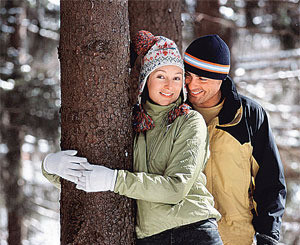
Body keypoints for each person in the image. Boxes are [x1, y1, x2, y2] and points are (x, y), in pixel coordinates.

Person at [42, 30, 224, 244]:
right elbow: (89, 178)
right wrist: (50, 167)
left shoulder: (189, 121)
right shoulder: (132, 124)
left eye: (177, 78)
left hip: (194, 231)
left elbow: (176, 188)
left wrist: (114, 179)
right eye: (161, 76)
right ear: (146, 80)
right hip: (150, 238)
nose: (169, 86)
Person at [183, 34, 286, 245]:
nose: (192, 84)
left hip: (237, 237)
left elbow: (271, 182)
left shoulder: (249, 115)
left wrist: (268, 236)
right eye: (188, 75)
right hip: (187, 236)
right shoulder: (175, 113)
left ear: (221, 78)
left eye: (203, 78)